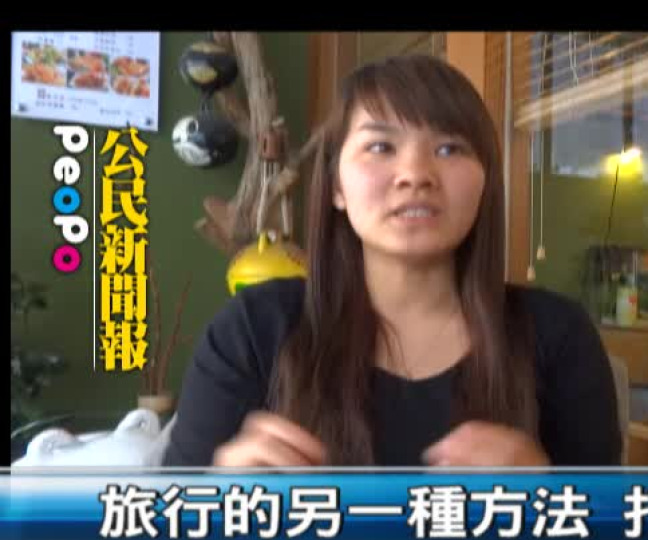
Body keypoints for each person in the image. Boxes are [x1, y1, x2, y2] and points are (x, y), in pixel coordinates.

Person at [162, 55, 621, 467]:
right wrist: (223, 500)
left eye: (450, 148)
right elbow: (167, 513)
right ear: (336, 186)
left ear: (486, 183)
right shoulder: (252, 330)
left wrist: (543, 495)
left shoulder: (559, 337)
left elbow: (619, 517)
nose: (416, 175)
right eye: (381, 147)